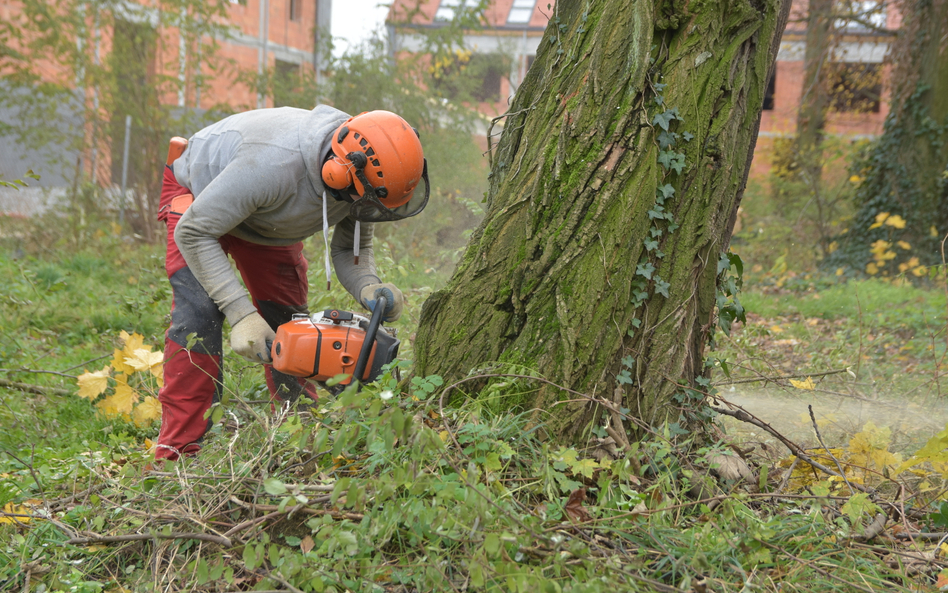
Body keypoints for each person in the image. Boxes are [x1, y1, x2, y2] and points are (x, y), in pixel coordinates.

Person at [155, 106, 429, 461]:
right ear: (336, 173)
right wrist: (241, 315)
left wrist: (368, 287)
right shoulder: (274, 165)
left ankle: (293, 432)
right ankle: (176, 451)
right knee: (199, 318)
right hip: (199, 200)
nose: (366, 208)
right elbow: (192, 232)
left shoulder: (367, 177)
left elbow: (350, 248)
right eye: (364, 200)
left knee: (289, 321)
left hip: (265, 218)